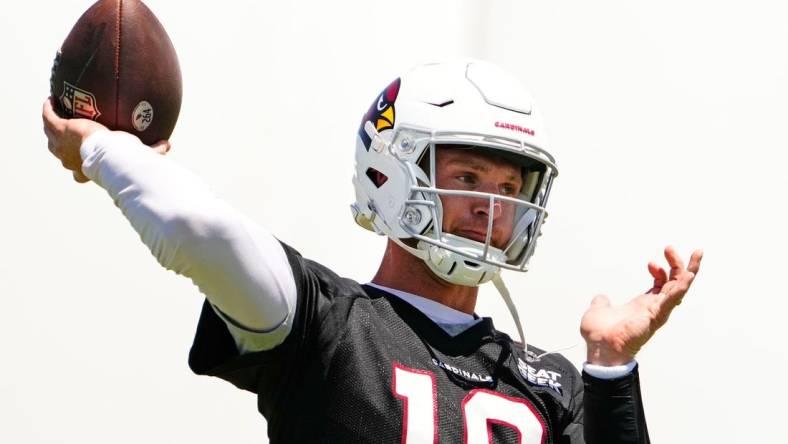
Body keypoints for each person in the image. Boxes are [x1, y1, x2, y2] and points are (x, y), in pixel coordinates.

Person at [43, 59, 702, 443]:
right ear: (390, 174)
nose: (491, 206)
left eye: (509, 187)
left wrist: (611, 371)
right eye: (468, 179)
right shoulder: (329, 325)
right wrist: (103, 149)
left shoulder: (552, 382)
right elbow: (199, 229)